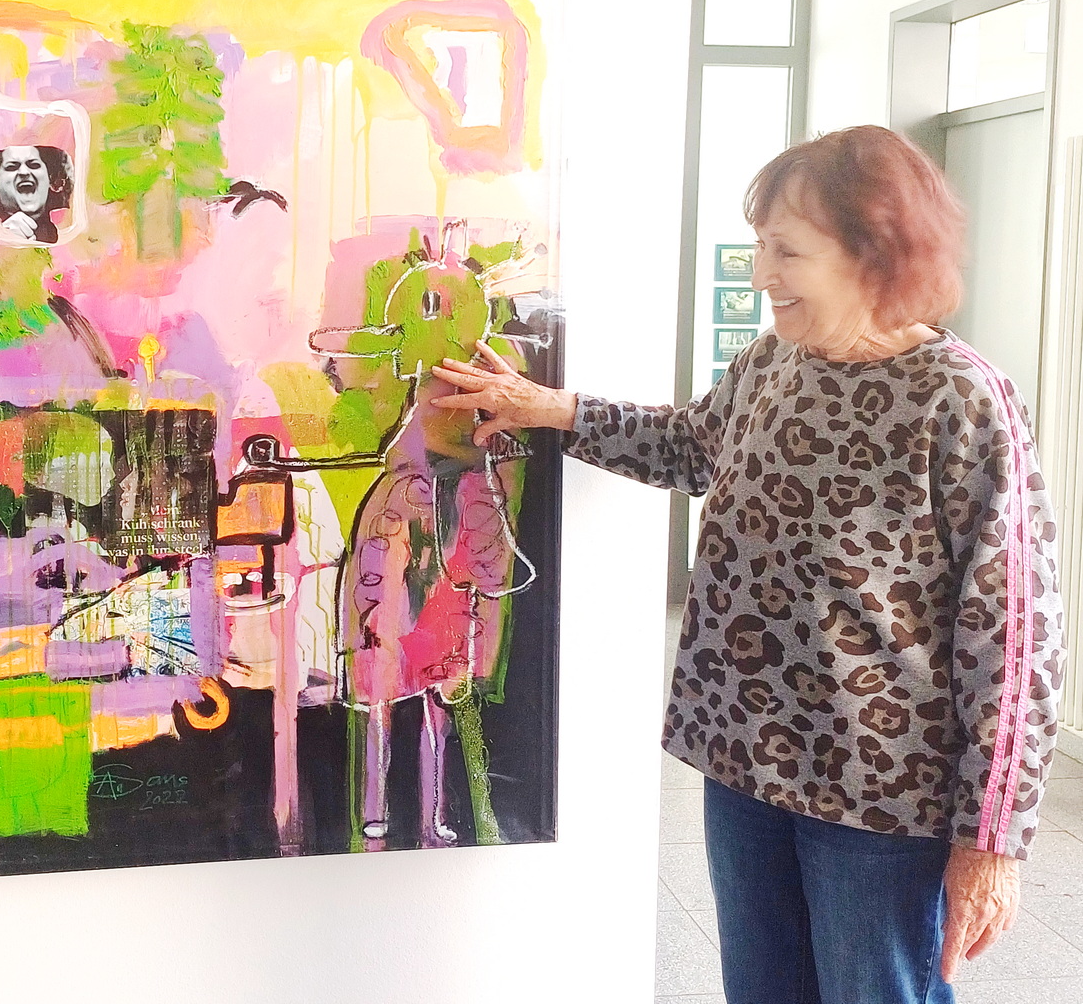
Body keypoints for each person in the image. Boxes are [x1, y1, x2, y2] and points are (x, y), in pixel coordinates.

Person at [429, 125, 1064, 1004]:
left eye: (786, 251)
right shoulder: (774, 359)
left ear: (873, 253)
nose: (760, 274)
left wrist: (990, 839)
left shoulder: (959, 398)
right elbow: (694, 447)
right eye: (759, 246)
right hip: (745, 760)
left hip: (875, 791)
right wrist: (551, 408)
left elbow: (1014, 637)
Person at [0, 144, 73, 243]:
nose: (24, 172)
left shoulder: (62, 225)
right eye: (11, 166)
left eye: (34, 165)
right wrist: (5, 235)